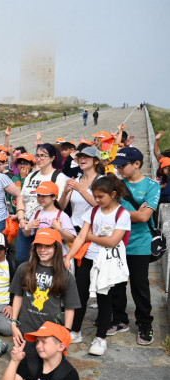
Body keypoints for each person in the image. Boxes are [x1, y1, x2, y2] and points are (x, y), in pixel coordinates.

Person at [65, 176, 130, 356]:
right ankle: (75, 331)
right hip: (88, 258)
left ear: (113, 194)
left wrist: (90, 236)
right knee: (79, 295)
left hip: (107, 263)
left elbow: (112, 241)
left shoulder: (122, 214)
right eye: (96, 196)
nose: (98, 200)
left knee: (104, 299)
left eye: (101, 196)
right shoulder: (93, 212)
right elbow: (80, 237)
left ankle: (101, 337)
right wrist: (69, 256)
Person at [111, 147, 160, 345]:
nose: (119, 169)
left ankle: (145, 323)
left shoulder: (151, 186)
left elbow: (144, 216)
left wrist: (118, 212)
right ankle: (119, 320)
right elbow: (106, 210)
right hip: (117, 242)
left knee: (140, 285)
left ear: (137, 164)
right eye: (118, 166)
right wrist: (128, 213)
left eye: (123, 165)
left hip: (140, 244)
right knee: (116, 285)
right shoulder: (116, 185)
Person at [10, 228, 78, 345]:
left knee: (48, 363)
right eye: (39, 246)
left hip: (51, 334)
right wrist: (13, 323)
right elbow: (18, 296)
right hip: (25, 331)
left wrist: (66, 332)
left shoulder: (66, 275)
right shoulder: (24, 268)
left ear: (57, 248)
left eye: (48, 246)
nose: (42, 250)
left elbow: (70, 307)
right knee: (24, 362)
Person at [16, 144, 69, 264]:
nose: (39, 159)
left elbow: (58, 204)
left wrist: (66, 194)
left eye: (43, 156)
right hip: (27, 222)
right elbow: (21, 198)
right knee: (21, 258)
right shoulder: (31, 175)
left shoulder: (58, 176)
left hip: (44, 224)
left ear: (52, 158)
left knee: (40, 261)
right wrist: (21, 219)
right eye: (37, 155)